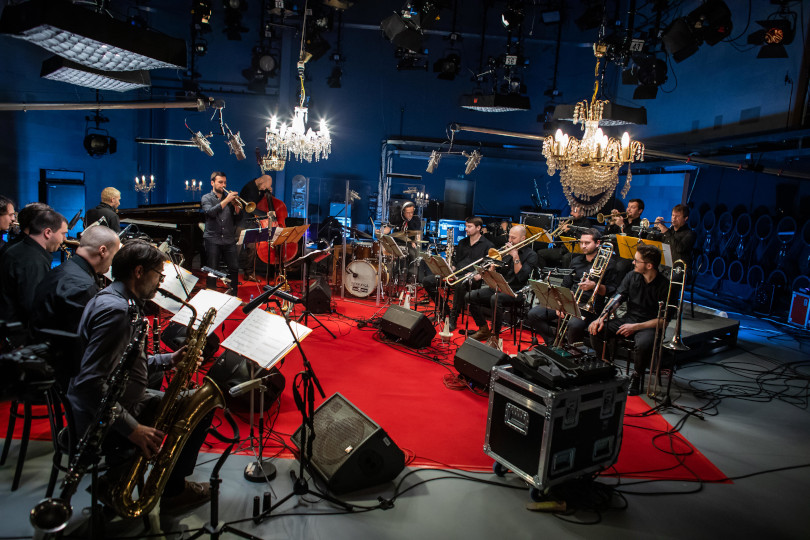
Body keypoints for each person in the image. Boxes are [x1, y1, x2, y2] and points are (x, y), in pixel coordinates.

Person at [67, 240, 212, 515]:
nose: (161, 283)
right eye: (159, 275)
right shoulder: (117, 312)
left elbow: (127, 363)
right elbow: (89, 385)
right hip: (109, 420)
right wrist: (133, 429)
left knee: (190, 402)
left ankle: (132, 476)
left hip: (123, 400)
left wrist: (170, 359)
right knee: (198, 410)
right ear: (138, 271)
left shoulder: (112, 297)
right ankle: (173, 491)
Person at [30, 225, 121, 387]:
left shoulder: (64, 269)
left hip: (44, 353)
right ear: (102, 251)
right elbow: (86, 346)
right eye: (114, 255)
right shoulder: (83, 287)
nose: (113, 262)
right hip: (62, 372)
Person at [588, 244, 669, 395]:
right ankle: (605, 365)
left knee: (643, 343)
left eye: (636, 261)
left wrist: (636, 327)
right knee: (595, 329)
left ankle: (636, 377)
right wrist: (601, 317)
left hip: (648, 325)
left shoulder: (665, 285)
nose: (633, 263)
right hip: (629, 318)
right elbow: (617, 299)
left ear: (649, 265)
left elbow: (664, 320)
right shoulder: (631, 276)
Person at [526, 228, 618, 347]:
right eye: (581, 242)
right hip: (570, 301)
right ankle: (553, 343)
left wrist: (595, 286)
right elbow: (565, 285)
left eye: (587, 243)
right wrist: (560, 303)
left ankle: (573, 353)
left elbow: (612, 291)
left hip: (590, 307)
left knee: (574, 325)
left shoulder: (609, 264)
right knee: (534, 313)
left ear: (598, 243)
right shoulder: (575, 261)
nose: (583, 246)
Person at [466, 224, 538, 342]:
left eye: (513, 238)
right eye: (509, 237)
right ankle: (483, 329)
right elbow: (497, 273)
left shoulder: (531, 255)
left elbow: (521, 277)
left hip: (516, 291)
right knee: (470, 296)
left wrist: (515, 256)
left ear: (523, 239)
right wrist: (491, 270)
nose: (509, 241)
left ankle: (495, 335)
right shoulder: (505, 252)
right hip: (499, 287)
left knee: (495, 299)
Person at [421, 217, 494, 330]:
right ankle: (443, 309)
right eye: (466, 226)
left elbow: (488, 267)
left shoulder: (488, 245)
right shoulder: (462, 242)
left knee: (460, 284)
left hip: (472, 278)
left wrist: (477, 276)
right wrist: (448, 268)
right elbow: (456, 262)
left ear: (478, 228)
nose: (466, 229)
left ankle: (452, 318)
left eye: (469, 226)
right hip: (456, 273)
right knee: (427, 281)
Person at [0, 207, 67, 327]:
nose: (64, 239)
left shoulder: (18, 249)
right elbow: (33, 306)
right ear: (47, 233)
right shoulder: (33, 261)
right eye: (63, 234)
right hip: (19, 335)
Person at [201, 171, 241, 295]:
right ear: (212, 183)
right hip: (213, 239)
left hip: (228, 239)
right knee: (212, 269)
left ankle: (233, 294)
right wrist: (226, 201)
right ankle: (211, 295)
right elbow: (211, 212)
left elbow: (237, 218)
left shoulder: (228, 199)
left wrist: (237, 208)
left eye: (224, 182)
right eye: (220, 182)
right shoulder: (206, 198)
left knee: (234, 268)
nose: (223, 185)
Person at [239, 174, 274, 281]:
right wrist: (265, 214)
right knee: (237, 249)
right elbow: (251, 209)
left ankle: (248, 274)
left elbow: (263, 198)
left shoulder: (260, 188)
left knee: (252, 248)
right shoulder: (248, 188)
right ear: (260, 181)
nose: (264, 189)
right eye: (264, 186)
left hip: (252, 222)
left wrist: (268, 192)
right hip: (241, 222)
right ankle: (231, 275)